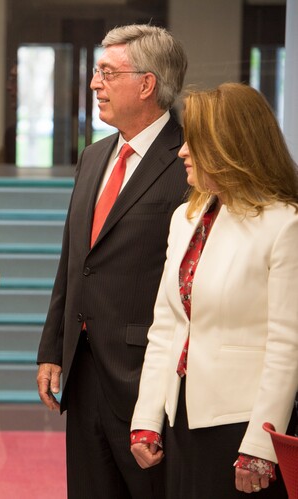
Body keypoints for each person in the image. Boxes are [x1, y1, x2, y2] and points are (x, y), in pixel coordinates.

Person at [36, 24, 188, 498]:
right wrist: (51, 348)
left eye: (106, 72)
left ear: (146, 84)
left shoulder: (189, 160)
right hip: (83, 373)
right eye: (96, 72)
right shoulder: (94, 156)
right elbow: (74, 260)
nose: (94, 83)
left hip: (147, 380)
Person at [130, 82, 298, 498]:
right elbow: (167, 325)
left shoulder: (285, 224)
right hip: (181, 418)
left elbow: (287, 345)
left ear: (230, 148)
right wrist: (146, 417)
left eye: (194, 142)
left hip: (241, 428)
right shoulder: (186, 217)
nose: (182, 151)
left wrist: (260, 446)